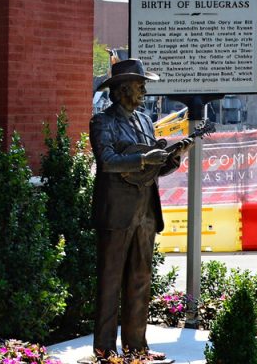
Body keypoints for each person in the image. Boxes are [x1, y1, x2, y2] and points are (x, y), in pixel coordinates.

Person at [87, 59, 193, 364]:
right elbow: (107, 160)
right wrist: (145, 160)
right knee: (110, 280)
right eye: (139, 84)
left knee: (140, 278)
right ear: (122, 90)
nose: (144, 90)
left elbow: (150, 167)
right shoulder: (102, 122)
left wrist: (173, 158)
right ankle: (105, 350)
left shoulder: (147, 121)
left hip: (146, 209)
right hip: (117, 211)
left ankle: (137, 347)